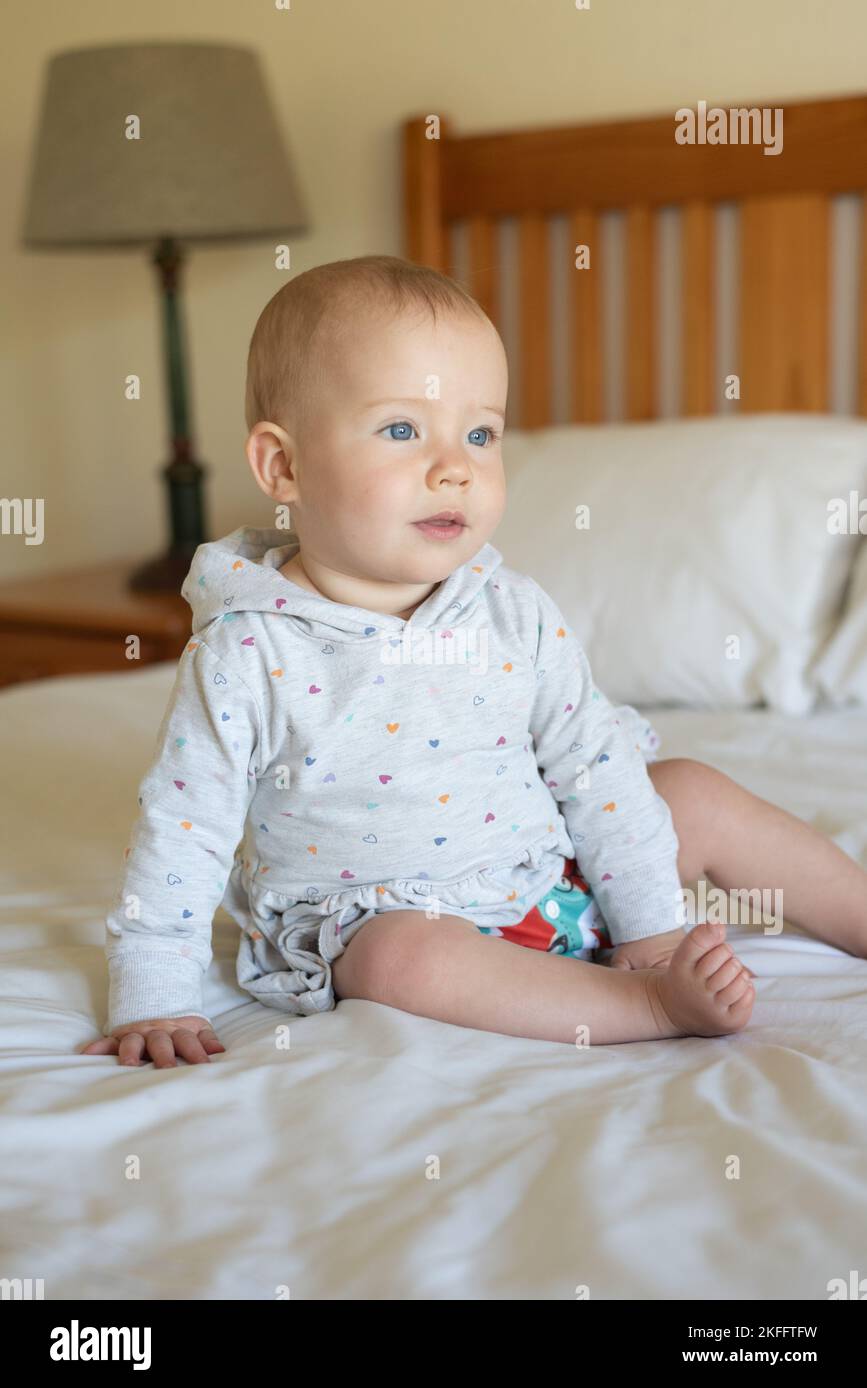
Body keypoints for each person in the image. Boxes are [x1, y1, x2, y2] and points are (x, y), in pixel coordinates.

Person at [81, 255, 867, 1067]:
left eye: (481, 433)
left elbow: (591, 767)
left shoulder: (510, 609)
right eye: (400, 429)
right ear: (283, 466)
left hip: (556, 876)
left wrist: (651, 928)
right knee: (398, 960)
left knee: (687, 790)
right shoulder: (248, 647)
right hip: (384, 915)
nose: (454, 465)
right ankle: (643, 1008)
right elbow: (184, 825)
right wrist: (154, 993)